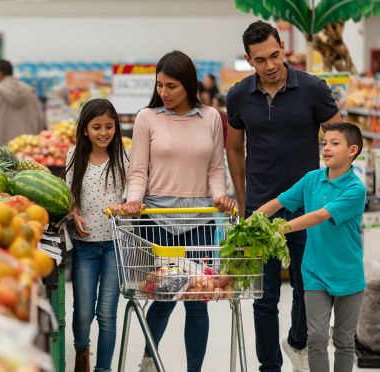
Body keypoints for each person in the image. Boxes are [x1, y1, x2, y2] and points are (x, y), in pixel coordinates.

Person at [225, 21, 343, 372]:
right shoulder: (238, 96)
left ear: (284, 50)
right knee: (264, 298)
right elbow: (234, 149)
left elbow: (337, 139)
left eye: (275, 55)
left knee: (310, 291)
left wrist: (331, 190)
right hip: (261, 212)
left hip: (308, 210)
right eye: (260, 60)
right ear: (249, 59)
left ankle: (297, 342)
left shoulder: (313, 89)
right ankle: (270, 366)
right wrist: (246, 203)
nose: (270, 65)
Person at [120, 50, 235, 372]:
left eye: (171, 86)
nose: (164, 93)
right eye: (159, 85)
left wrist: (219, 196)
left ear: (188, 84)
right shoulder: (147, 117)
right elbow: (138, 170)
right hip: (156, 220)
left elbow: (215, 167)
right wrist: (132, 200)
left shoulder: (210, 117)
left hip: (199, 220)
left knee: (197, 301)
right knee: (165, 294)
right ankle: (149, 360)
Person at [249, 122, 366, 372]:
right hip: (314, 272)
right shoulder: (312, 178)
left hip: (348, 274)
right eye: (324, 143)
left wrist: (276, 229)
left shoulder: (355, 188)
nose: (326, 148)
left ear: (353, 150)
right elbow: (278, 201)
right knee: (317, 339)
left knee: (344, 342)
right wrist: (251, 222)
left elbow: (317, 217)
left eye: (335, 143)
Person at [63, 98, 130, 372]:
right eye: (96, 127)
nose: (104, 133)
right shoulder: (74, 155)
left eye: (109, 126)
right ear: (85, 129)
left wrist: (124, 208)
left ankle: (103, 369)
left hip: (115, 244)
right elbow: (70, 194)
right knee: (82, 314)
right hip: (85, 244)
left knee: (106, 313)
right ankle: (82, 350)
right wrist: (74, 213)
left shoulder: (124, 157)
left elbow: (130, 197)